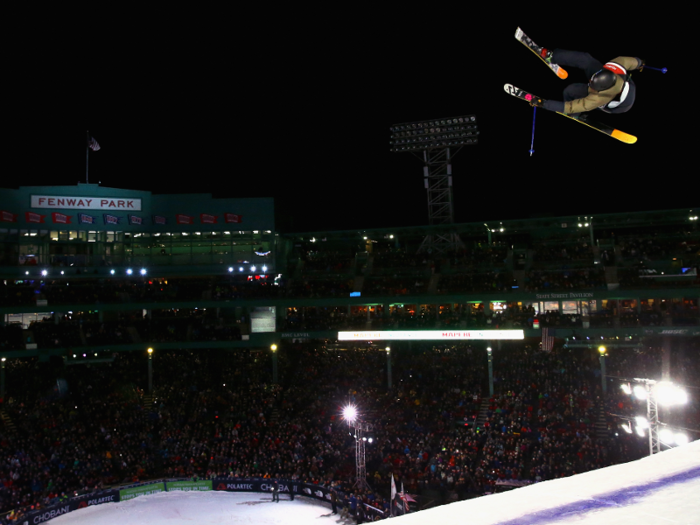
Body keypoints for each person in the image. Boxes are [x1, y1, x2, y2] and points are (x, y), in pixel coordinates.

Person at [528, 48, 644, 117]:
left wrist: (544, 104)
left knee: (570, 91)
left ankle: (574, 116)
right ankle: (552, 56)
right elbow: (629, 61)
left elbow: (572, 106)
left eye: (591, 83)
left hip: (618, 105)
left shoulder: (598, 98)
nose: (589, 81)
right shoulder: (616, 66)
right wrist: (639, 62)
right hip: (617, 83)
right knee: (586, 60)